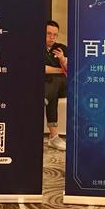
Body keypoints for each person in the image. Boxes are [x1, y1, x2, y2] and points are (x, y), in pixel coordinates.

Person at [45, 20, 67, 150]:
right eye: (48, 34)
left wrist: (62, 59)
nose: (52, 37)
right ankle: (54, 137)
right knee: (52, 91)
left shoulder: (61, 48)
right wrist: (61, 70)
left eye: (55, 35)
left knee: (56, 80)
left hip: (64, 86)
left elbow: (71, 68)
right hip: (48, 88)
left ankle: (44, 98)